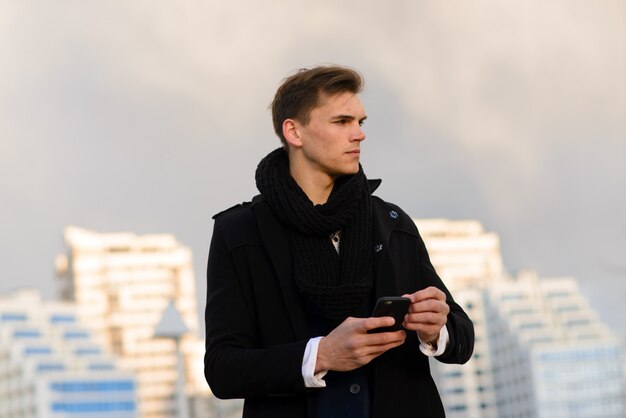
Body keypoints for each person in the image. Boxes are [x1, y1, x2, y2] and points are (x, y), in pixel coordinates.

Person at [204, 65, 474, 418]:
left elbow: (462, 339)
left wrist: (437, 329)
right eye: (342, 121)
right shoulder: (239, 233)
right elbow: (223, 370)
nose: (358, 134)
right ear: (294, 131)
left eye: (360, 122)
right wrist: (322, 354)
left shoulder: (391, 223)